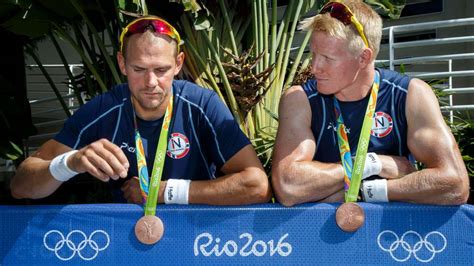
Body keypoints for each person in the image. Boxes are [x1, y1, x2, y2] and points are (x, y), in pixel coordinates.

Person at [11, 16, 271, 205]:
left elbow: (257, 186)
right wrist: (71, 162)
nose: (150, 83)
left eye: (161, 70)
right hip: (128, 242)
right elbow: (21, 186)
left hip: (199, 239)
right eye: (138, 69)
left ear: (178, 63)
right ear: (122, 64)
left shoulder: (201, 105)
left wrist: (163, 192)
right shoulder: (104, 109)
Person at [271, 0, 469, 206]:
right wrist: (372, 164)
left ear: (363, 58)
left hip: (390, 234)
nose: (314, 68)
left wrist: (370, 190)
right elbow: (288, 186)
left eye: (327, 58)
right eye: (313, 54)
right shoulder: (299, 99)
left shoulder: (411, 94)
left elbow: (455, 184)